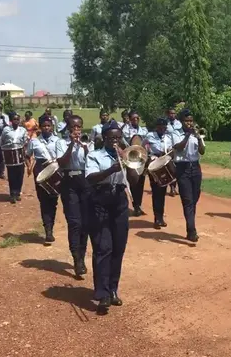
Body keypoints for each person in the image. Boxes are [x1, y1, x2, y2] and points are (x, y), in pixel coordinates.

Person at [85, 120, 129, 315]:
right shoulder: (94, 155)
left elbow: (134, 180)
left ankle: (113, 289)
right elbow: (90, 178)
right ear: (104, 138)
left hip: (119, 200)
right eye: (112, 138)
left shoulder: (124, 155)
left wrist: (129, 162)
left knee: (118, 248)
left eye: (118, 138)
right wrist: (112, 168)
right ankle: (102, 293)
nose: (115, 141)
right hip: (100, 199)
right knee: (103, 248)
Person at [55, 115, 94, 278]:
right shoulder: (60, 142)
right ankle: (76, 259)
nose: (76, 130)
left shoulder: (88, 142)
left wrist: (82, 146)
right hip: (69, 181)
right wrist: (71, 144)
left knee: (85, 223)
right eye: (73, 127)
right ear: (68, 128)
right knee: (74, 222)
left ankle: (82, 257)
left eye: (79, 127)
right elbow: (62, 163)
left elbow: (91, 161)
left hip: (84, 181)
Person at [169, 109, 205, 242]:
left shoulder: (196, 134)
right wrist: (187, 135)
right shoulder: (175, 133)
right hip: (182, 168)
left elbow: (202, 151)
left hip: (195, 167)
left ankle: (190, 224)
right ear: (181, 122)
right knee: (188, 200)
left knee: (194, 199)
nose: (189, 123)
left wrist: (199, 138)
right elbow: (179, 147)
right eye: (186, 121)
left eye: (191, 121)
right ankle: (191, 230)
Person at [26, 116, 60, 242]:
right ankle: (48, 230)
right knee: (44, 201)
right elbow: (27, 155)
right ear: (40, 127)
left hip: (54, 171)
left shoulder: (57, 140)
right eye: (44, 126)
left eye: (49, 125)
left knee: (53, 201)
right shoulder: (34, 141)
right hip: (40, 171)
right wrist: (29, 167)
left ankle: (51, 225)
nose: (47, 128)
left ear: (52, 127)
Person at [143, 118, 171, 229]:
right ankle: (157, 218)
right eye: (160, 127)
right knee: (156, 191)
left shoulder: (168, 138)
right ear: (157, 126)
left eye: (164, 127)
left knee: (162, 191)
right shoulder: (149, 136)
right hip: (154, 165)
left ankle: (161, 217)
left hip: (164, 165)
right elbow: (142, 147)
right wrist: (148, 155)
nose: (162, 129)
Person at [122, 111, 149, 216]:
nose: (136, 120)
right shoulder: (125, 131)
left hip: (141, 158)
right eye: (133, 118)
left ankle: (138, 205)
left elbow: (146, 143)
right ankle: (135, 205)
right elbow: (123, 144)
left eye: (137, 118)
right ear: (129, 119)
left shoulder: (144, 130)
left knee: (141, 182)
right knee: (133, 182)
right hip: (131, 158)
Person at [0, 113, 29, 203]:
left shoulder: (23, 130)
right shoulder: (6, 129)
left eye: (17, 119)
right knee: (12, 175)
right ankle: (12, 193)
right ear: (11, 121)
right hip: (10, 154)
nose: (16, 121)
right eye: (14, 119)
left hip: (20, 154)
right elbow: (1, 140)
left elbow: (25, 142)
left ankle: (18, 192)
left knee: (20, 174)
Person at [165, 108, 182, 197]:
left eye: (174, 113)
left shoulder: (179, 123)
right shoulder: (165, 124)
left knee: (177, 167)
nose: (172, 115)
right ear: (168, 114)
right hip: (168, 148)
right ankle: (172, 187)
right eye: (171, 113)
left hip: (178, 147)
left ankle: (175, 187)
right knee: (170, 169)